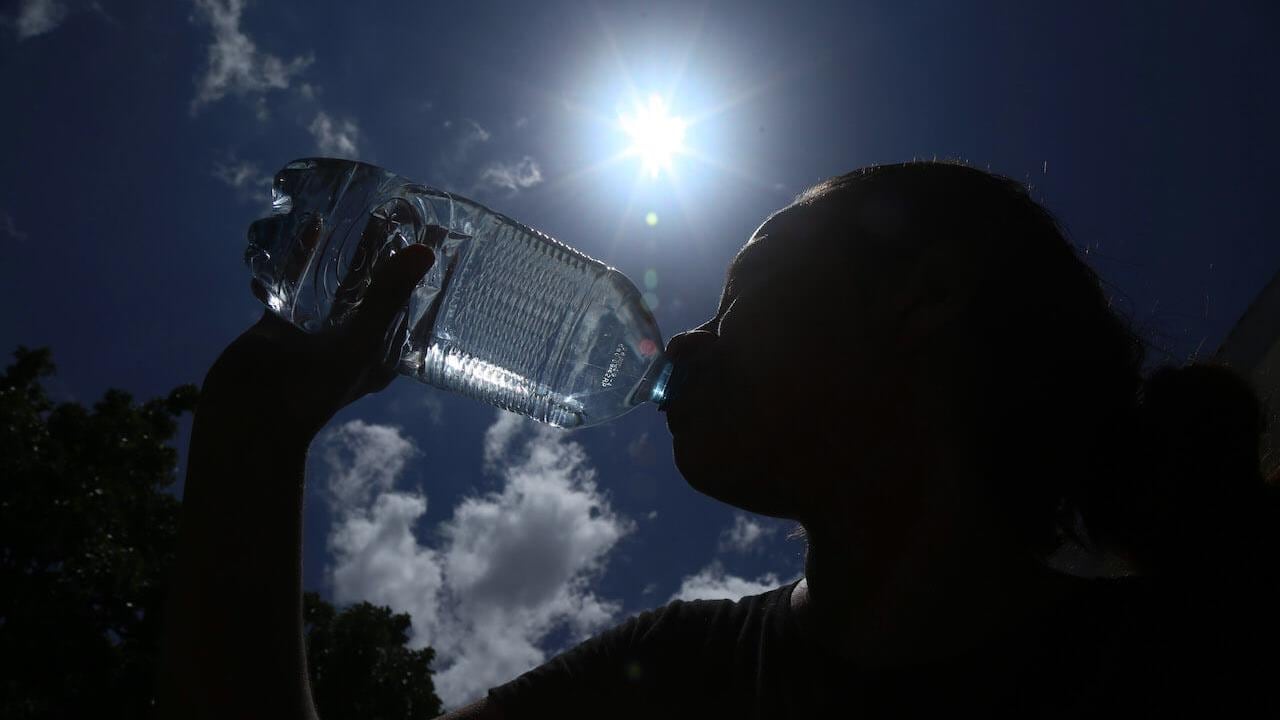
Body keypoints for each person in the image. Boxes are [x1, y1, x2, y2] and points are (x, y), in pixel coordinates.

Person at [158, 161, 1273, 719]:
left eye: (741, 294)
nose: (689, 333)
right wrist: (253, 435)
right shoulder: (663, 678)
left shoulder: (1198, 654)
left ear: (919, 302)